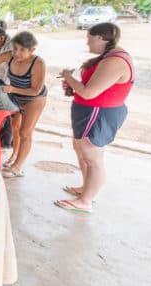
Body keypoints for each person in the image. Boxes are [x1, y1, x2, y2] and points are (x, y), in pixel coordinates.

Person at [55, 23, 133, 214]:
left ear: (100, 38)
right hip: (89, 111)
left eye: (89, 38)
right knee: (82, 150)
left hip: (98, 112)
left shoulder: (115, 61)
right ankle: (86, 189)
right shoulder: (107, 57)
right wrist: (73, 85)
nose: (87, 43)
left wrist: (67, 76)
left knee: (92, 156)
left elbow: (89, 93)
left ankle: (86, 200)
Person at [0, 31, 47, 178]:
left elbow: (35, 90)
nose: (17, 53)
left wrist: (13, 89)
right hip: (15, 95)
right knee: (15, 128)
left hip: (34, 98)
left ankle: (17, 166)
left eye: (22, 50)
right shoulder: (9, 55)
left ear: (32, 50)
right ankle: (14, 156)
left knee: (25, 132)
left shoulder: (38, 63)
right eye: (15, 48)